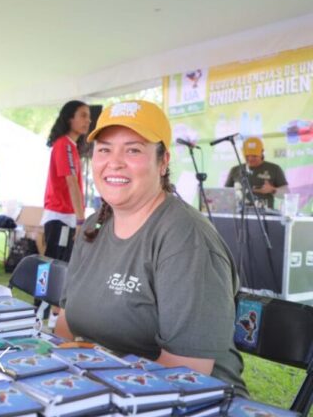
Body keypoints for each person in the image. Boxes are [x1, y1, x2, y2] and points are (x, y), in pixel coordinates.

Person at [55, 100, 247, 395]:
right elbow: (66, 327)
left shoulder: (186, 240)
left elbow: (186, 373)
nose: (114, 161)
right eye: (105, 149)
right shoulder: (94, 226)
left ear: (163, 161)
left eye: (133, 149)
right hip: (100, 390)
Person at [41, 100, 90, 262]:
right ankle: (42, 289)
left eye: (88, 117)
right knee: (53, 265)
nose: (88, 121)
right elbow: (72, 182)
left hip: (64, 216)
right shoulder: (65, 145)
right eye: (83, 116)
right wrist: (81, 219)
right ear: (70, 118)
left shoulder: (70, 146)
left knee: (59, 265)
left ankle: (48, 288)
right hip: (60, 216)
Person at [224, 137, 288, 209]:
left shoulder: (274, 168)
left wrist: (272, 190)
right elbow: (225, 194)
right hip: (240, 213)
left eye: (254, 156)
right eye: (247, 156)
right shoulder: (235, 170)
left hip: (265, 215)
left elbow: (286, 193)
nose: (250, 159)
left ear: (262, 152)